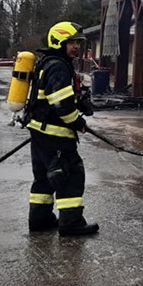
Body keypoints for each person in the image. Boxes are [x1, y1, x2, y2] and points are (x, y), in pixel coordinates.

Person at [26, 21, 98, 236]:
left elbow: (53, 98)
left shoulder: (47, 62)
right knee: (70, 175)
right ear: (58, 42)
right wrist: (79, 123)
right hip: (55, 133)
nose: (76, 46)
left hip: (39, 131)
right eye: (71, 42)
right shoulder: (58, 65)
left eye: (77, 42)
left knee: (44, 178)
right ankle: (71, 223)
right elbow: (60, 104)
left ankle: (39, 220)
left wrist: (78, 103)